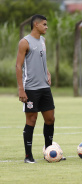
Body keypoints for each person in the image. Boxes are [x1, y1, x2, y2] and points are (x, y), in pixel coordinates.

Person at [15, 14, 64, 163]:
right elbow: (18, 66)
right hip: (30, 89)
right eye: (44, 24)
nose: (46, 27)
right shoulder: (25, 42)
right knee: (32, 119)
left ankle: (49, 152)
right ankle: (28, 156)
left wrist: (47, 72)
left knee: (50, 119)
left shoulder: (42, 40)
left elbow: (42, 59)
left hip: (44, 87)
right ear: (36, 25)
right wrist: (21, 89)